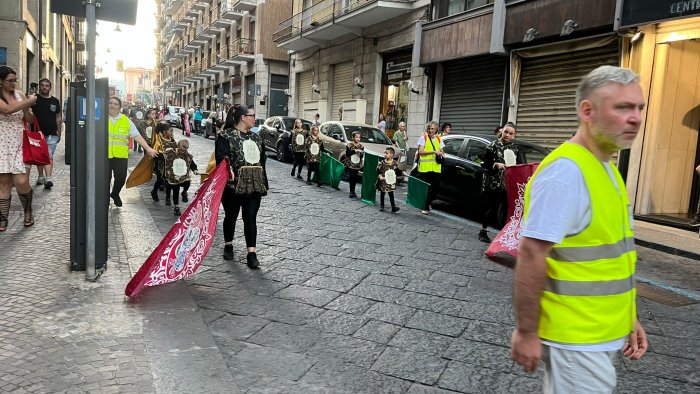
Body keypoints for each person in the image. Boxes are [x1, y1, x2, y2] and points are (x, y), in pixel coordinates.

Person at [511, 66, 648, 393]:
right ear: (587, 111)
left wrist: (629, 316)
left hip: (597, 331)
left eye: (640, 107)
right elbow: (531, 254)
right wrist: (527, 332)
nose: (636, 118)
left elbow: (612, 257)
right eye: (623, 107)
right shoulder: (566, 173)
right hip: (576, 339)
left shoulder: (606, 169)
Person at [215, 105, 268, 269]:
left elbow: (262, 161)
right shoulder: (225, 136)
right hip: (233, 187)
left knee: (250, 218)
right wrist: (227, 164)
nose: (254, 118)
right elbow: (221, 158)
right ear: (243, 117)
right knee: (231, 216)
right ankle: (228, 244)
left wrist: (264, 182)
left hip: (254, 186)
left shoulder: (257, 138)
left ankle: (252, 253)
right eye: (252, 115)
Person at [0, 66, 38, 229]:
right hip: (2, 142)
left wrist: (26, 107)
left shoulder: (20, 95)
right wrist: (28, 101)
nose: (13, 83)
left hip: (19, 142)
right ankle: (3, 218)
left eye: (15, 80)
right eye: (10, 81)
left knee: (22, 181)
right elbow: (7, 110)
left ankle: (28, 210)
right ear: (0, 82)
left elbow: (29, 119)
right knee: (4, 182)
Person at [107, 96, 157, 207]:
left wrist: (148, 149)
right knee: (105, 179)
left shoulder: (125, 120)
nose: (112, 105)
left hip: (120, 156)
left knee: (120, 178)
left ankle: (115, 194)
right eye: (110, 103)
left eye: (115, 103)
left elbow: (136, 135)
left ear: (120, 107)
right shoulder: (100, 119)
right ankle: (104, 199)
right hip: (104, 155)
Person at [478, 122, 518, 243]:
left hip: (507, 183)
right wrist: (496, 164)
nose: (507, 135)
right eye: (506, 132)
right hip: (493, 182)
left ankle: (504, 234)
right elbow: (485, 163)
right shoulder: (492, 146)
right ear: (502, 131)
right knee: (491, 207)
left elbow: (516, 165)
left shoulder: (514, 148)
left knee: (505, 209)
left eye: (510, 133)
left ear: (513, 136)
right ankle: (483, 231)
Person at [32, 78, 62, 189]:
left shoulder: (54, 101)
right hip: (36, 133)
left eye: (47, 85)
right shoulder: (34, 99)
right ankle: (41, 176)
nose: (44, 87)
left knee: (49, 155)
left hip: (52, 133)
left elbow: (58, 116)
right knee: (39, 155)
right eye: (42, 85)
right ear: (40, 86)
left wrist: (59, 132)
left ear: (50, 87)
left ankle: (48, 178)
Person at [416, 121, 445, 214]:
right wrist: (433, 152)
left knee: (436, 189)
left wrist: (443, 154)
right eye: (429, 128)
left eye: (432, 128)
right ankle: (425, 207)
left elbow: (442, 151)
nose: (430, 130)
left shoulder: (439, 139)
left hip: (436, 168)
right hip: (425, 168)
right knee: (427, 189)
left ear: (436, 129)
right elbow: (421, 152)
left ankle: (427, 203)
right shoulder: (423, 138)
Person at [163, 139, 197, 216]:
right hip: (173, 176)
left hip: (183, 176)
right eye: (182, 149)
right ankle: (176, 207)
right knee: (176, 189)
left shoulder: (186, 155)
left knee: (187, 183)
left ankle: (184, 192)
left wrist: (195, 169)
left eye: (185, 149)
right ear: (178, 145)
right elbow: (164, 159)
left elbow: (191, 162)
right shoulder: (170, 153)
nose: (183, 151)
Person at [376, 147, 400, 213]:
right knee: (382, 193)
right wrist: (380, 176)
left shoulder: (395, 163)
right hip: (383, 181)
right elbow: (377, 170)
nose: (385, 154)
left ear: (392, 155)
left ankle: (393, 207)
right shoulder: (382, 163)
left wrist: (402, 172)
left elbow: (397, 171)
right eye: (385, 153)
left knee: (391, 193)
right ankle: (382, 205)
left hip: (391, 181)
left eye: (387, 153)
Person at [345, 131, 364, 198]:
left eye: (359, 137)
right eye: (356, 137)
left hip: (357, 163)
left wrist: (361, 153)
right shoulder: (349, 145)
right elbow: (347, 154)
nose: (358, 139)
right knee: (351, 176)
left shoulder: (361, 146)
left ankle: (354, 191)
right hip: (350, 163)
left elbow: (361, 156)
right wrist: (354, 151)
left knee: (355, 177)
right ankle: (351, 191)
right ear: (353, 138)